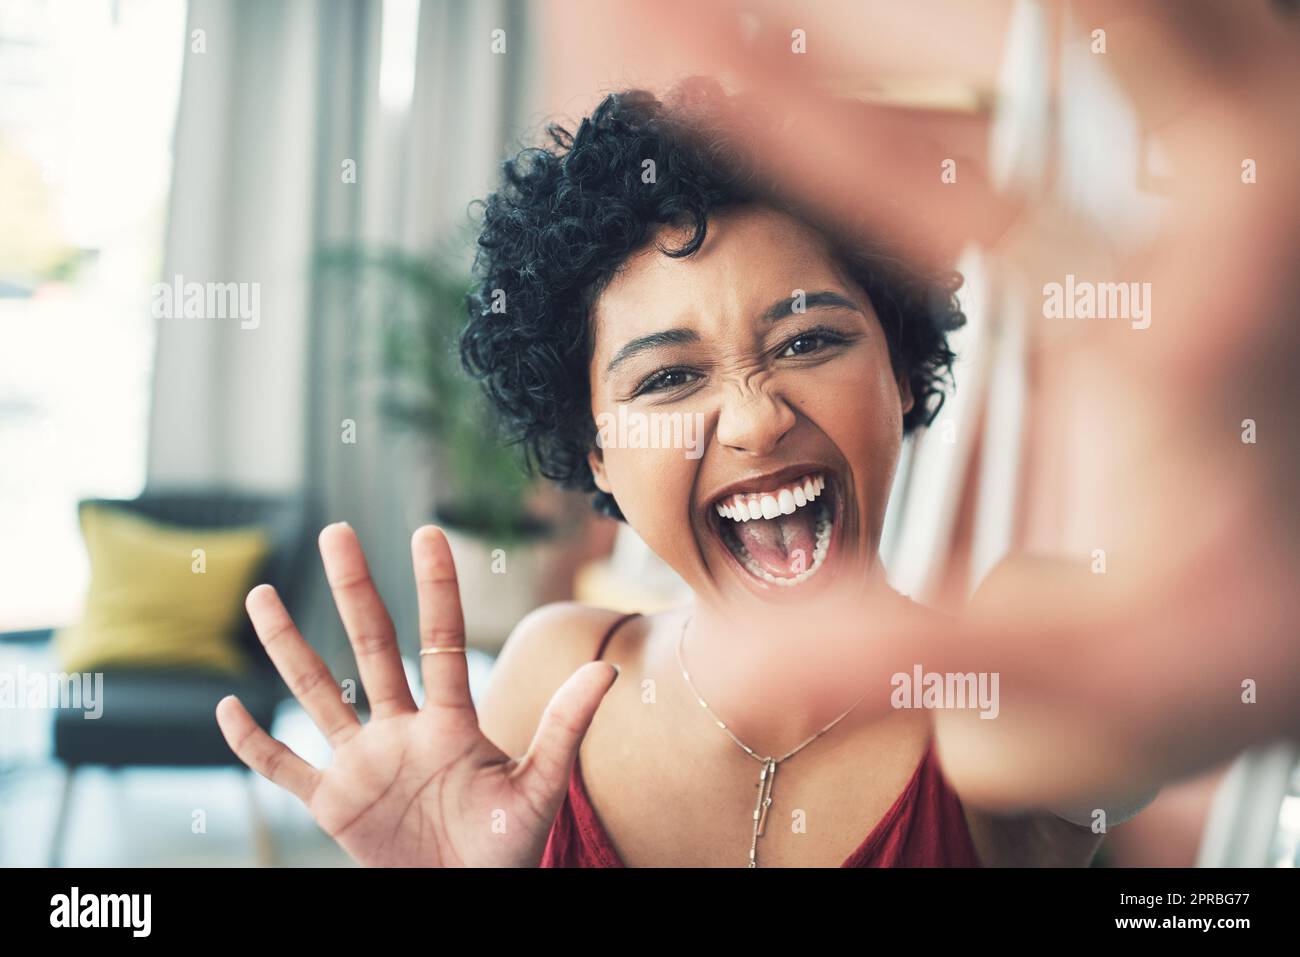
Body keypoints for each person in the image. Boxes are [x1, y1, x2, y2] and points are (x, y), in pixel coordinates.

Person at [215, 79, 1163, 866]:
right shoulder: (555, 676)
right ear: (597, 452)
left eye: (810, 340)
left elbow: (1129, 728)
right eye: (669, 377)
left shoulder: (990, 706)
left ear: (899, 371)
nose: (757, 416)